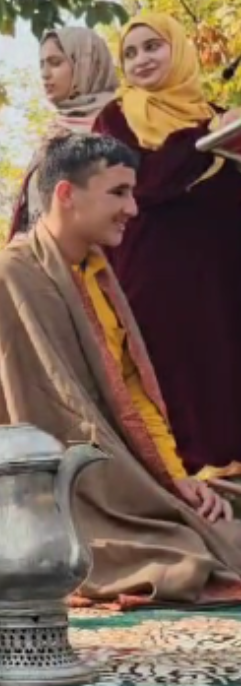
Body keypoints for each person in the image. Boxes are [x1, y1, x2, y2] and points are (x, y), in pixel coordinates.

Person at [0, 132, 241, 609]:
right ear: (66, 195)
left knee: (220, 516)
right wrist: (142, 492)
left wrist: (175, 479)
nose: (133, 208)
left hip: (124, 481)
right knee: (185, 557)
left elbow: (132, 392)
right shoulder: (5, 279)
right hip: (53, 506)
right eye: (118, 193)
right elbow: (46, 418)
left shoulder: (96, 273)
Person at [91, 13, 241, 477]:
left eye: (152, 47)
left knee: (224, 371)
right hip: (152, 279)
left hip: (222, 277)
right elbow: (147, 183)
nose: (141, 60)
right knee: (163, 375)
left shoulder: (219, 117)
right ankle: (175, 482)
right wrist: (203, 142)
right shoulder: (115, 118)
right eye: (130, 53)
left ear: (178, 51)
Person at [8, 27, 118, 237]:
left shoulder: (116, 123)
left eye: (55, 62)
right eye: (42, 64)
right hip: (40, 261)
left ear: (85, 64)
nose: (45, 73)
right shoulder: (57, 130)